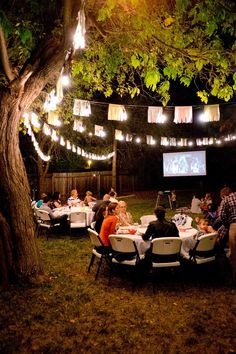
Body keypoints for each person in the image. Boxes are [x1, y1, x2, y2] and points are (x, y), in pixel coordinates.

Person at [219, 187, 236, 285]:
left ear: (223, 195)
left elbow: (221, 215)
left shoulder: (226, 199)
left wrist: (227, 225)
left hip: (234, 225)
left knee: (234, 255)